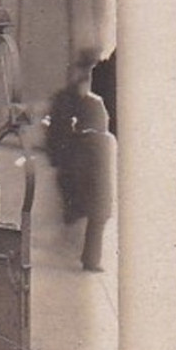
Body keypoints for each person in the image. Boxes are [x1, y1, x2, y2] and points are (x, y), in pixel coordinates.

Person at [46, 50, 116, 272]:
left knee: (99, 211)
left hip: (96, 158)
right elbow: (56, 132)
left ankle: (89, 258)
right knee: (82, 209)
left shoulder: (96, 99)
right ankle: (83, 255)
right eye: (85, 70)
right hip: (78, 160)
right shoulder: (68, 99)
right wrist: (59, 158)